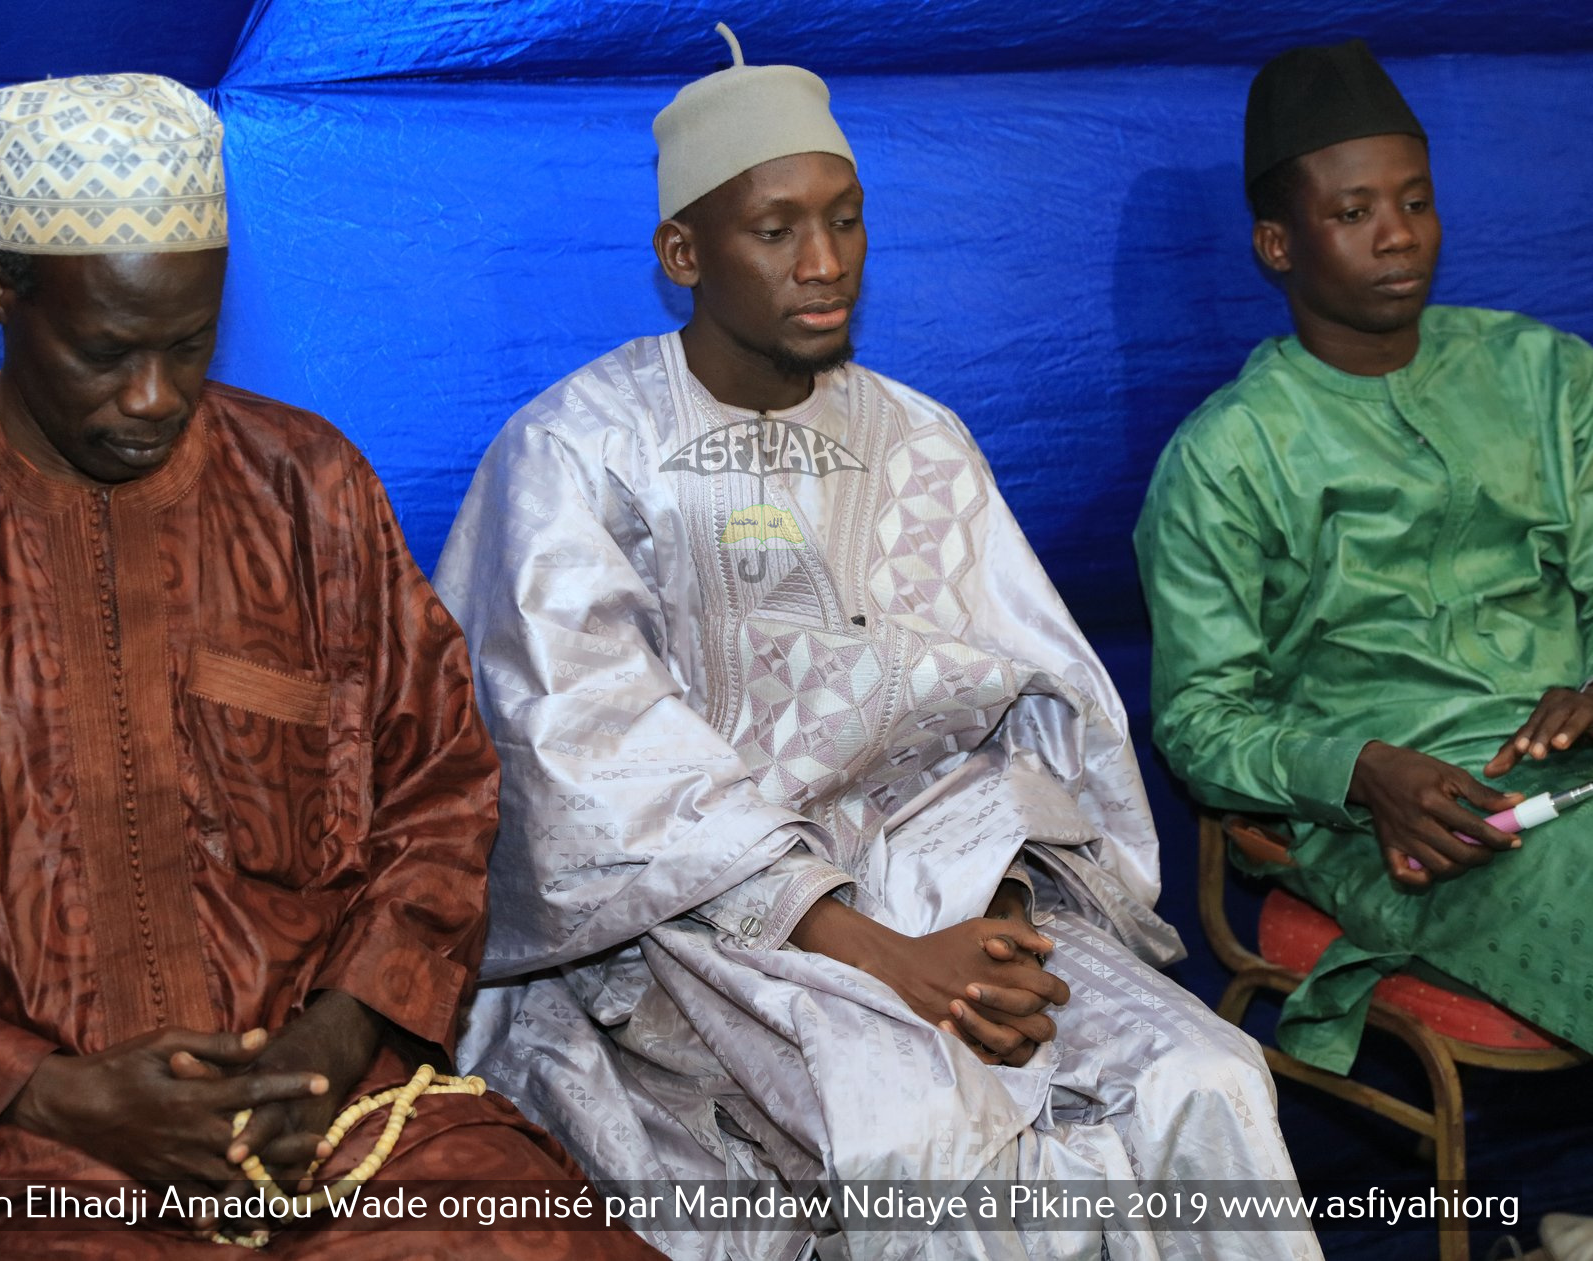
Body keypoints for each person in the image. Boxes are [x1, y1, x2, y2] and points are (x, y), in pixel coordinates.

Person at [436, 26, 1319, 1261]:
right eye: (775, 230)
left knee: (1207, 1078)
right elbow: (584, 780)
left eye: (845, 221)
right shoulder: (577, 456)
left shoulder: (919, 442)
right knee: (928, 1146)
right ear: (683, 253)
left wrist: (996, 916)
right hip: (702, 928)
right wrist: (882, 956)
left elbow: (1029, 713)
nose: (823, 263)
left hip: (950, 880)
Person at [0, 73, 658, 1260]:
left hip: (328, 1118)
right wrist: (49, 1092)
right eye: (106, 351)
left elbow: (436, 795)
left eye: (188, 345)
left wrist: (334, 1040)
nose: (153, 397)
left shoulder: (308, 489)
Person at [1137, 40, 1593, 1252]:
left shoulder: (1545, 378)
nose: (1396, 235)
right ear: (1276, 245)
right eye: (1352, 213)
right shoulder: (1226, 457)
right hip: (1427, 833)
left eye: (1413, 200)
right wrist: (1357, 770)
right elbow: (1198, 718)